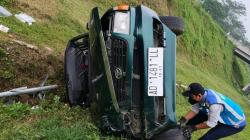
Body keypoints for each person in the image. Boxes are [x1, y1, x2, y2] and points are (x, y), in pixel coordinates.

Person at [179, 83, 246, 140]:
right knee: (193, 120)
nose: (190, 98)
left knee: (207, 138)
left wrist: (193, 128)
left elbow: (211, 124)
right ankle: (183, 136)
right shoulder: (204, 93)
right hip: (220, 113)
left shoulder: (214, 105)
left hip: (234, 124)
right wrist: (182, 120)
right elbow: (195, 110)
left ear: (199, 95)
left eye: (191, 96)